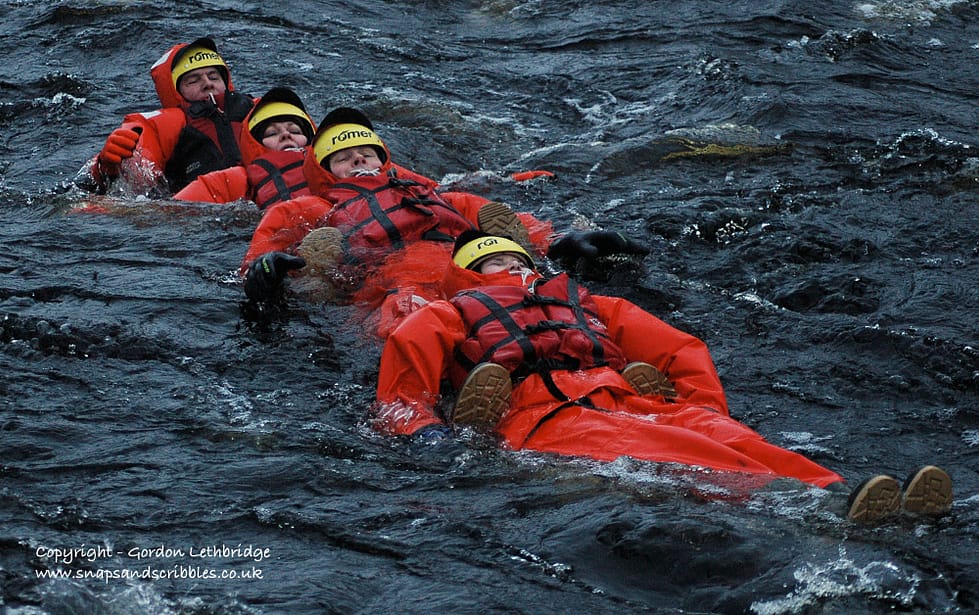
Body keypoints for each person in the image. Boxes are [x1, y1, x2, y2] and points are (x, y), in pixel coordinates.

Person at [374, 231, 955, 524]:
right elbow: (400, 392)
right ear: (466, 275)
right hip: (544, 412)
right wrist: (427, 434)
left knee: (726, 436)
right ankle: (816, 511)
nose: (513, 269)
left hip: (630, 396)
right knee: (683, 455)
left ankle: (841, 489)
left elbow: (681, 350)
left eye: (519, 260)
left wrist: (704, 409)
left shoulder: (590, 304)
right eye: (494, 262)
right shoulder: (446, 313)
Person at [240, 108, 648, 337]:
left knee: (540, 297)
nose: (359, 159)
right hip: (390, 279)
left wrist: (563, 241)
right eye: (344, 158)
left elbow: (521, 226)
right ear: (325, 171)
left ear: (384, 159)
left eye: (367, 153)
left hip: (470, 265)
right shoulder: (306, 209)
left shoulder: (441, 197)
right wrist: (264, 272)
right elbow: (260, 254)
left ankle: (587, 346)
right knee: (415, 324)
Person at [78, 37, 255, 195]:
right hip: (199, 208)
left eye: (214, 77)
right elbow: (139, 168)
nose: (207, 84)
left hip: (260, 196)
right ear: (175, 91)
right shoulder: (162, 125)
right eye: (193, 80)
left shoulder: (255, 108)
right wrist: (106, 166)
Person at [173, 87, 316, 209]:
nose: (286, 135)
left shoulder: (327, 166)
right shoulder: (234, 181)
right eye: (272, 133)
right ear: (254, 143)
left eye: (295, 131)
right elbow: (173, 209)